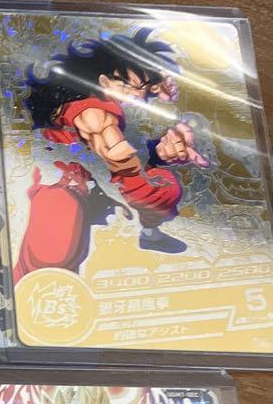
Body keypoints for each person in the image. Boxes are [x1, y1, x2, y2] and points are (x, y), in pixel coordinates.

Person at [16, 28, 209, 277]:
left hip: (80, 175)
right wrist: (156, 182)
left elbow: (117, 154)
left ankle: (149, 232)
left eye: (144, 87)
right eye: (132, 86)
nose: (138, 94)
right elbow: (120, 166)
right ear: (105, 82)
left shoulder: (104, 105)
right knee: (51, 261)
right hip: (63, 182)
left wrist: (157, 152)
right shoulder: (96, 115)